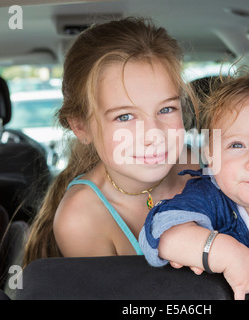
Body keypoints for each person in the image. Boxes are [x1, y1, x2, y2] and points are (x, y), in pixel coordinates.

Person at [22, 17, 200, 267]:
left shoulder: (208, 167)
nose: (154, 134)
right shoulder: (82, 218)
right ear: (81, 127)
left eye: (166, 109)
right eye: (124, 116)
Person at [139, 75, 249, 300]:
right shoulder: (207, 195)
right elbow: (160, 232)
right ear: (210, 153)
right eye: (237, 145)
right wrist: (226, 253)